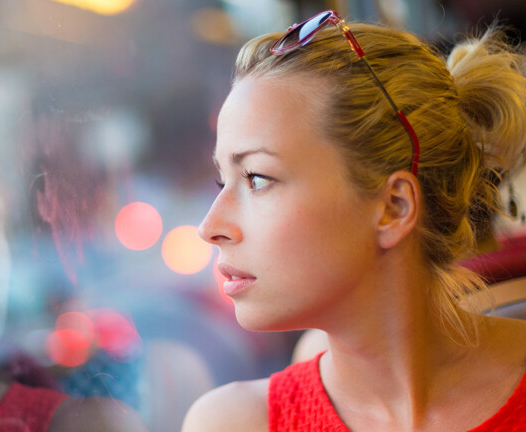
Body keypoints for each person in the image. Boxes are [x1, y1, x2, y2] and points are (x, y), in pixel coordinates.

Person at [182, 10, 526, 432]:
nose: (209, 226)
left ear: (393, 208)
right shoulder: (235, 424)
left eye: (256, 178)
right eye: (222, 180)